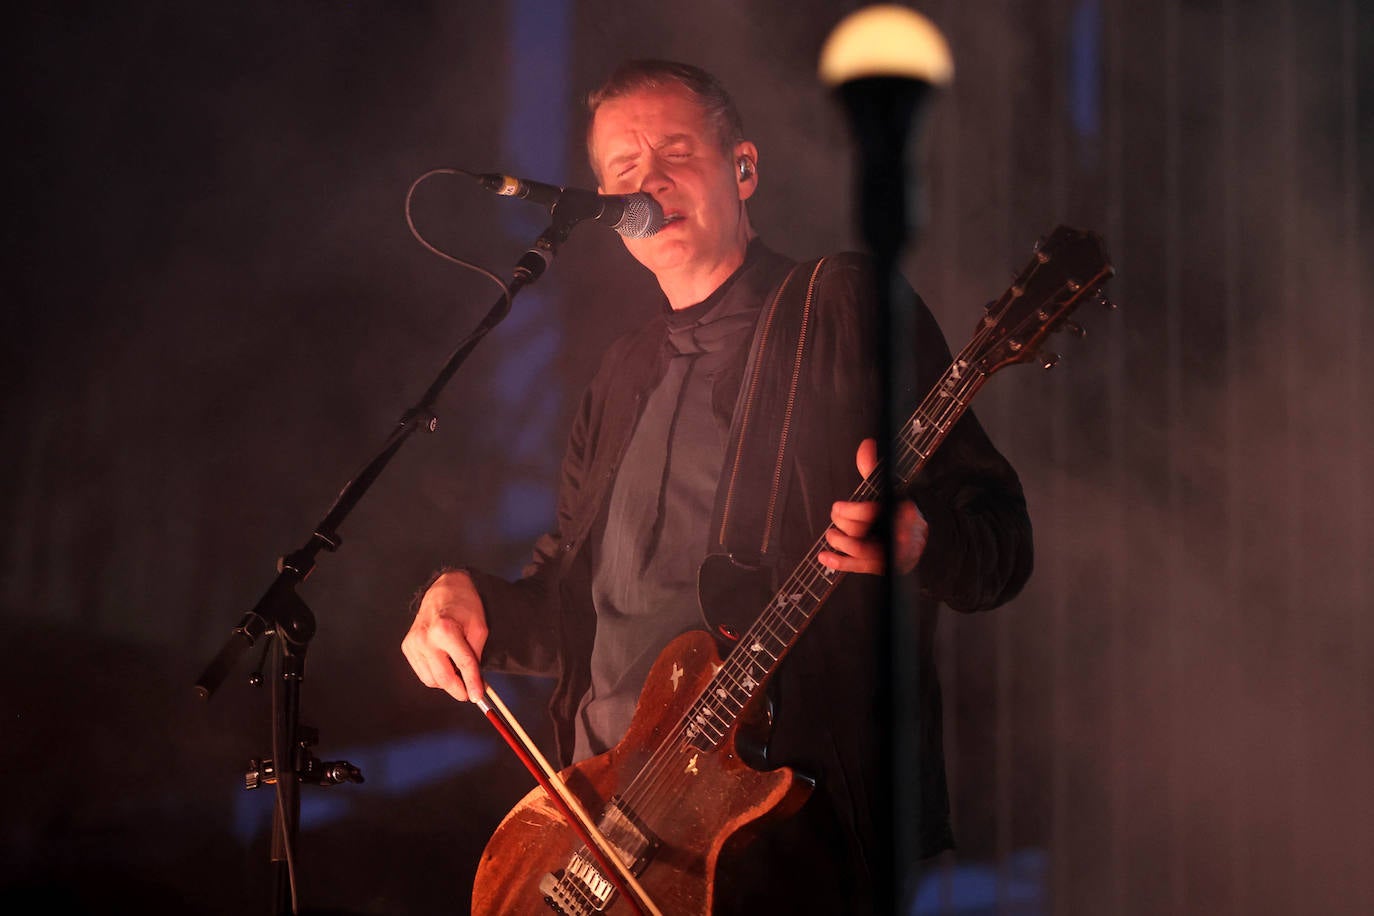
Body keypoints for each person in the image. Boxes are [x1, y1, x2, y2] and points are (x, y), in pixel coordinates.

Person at [402, 59, 1032, 914]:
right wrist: (463, 599)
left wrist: (923, 543)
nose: (647, 182)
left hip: (780, 837)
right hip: (606, 832)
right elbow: (574, 612)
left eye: (674, 152)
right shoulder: (621, 374)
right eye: (622, 171)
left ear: (743, 168)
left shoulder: (841, 307)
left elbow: (999, 538)